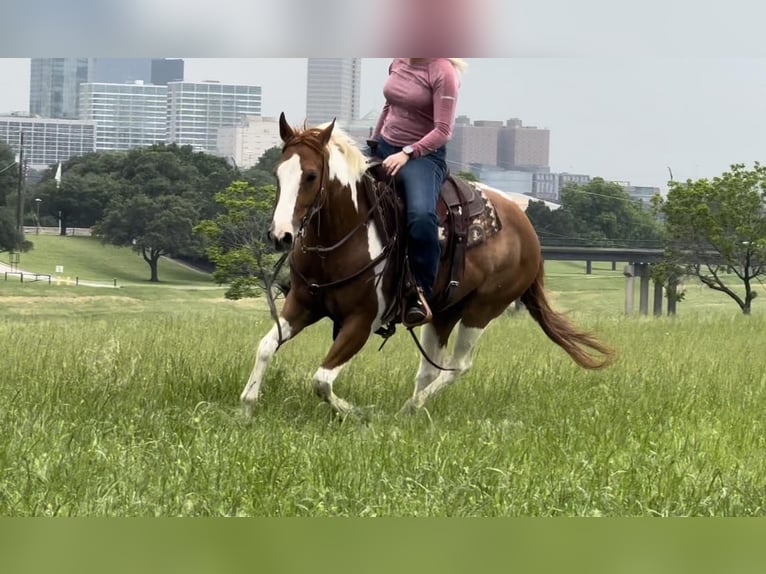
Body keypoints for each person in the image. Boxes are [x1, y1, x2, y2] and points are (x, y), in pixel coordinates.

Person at [369, 57, 466, 327]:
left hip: (423, 157)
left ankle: (418, 293)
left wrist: (408, 153)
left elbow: (443, 131)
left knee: (421, 216)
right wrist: (373, 143)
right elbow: (389, 106)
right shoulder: (398, 62)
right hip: (385, 147)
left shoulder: (443, 72)